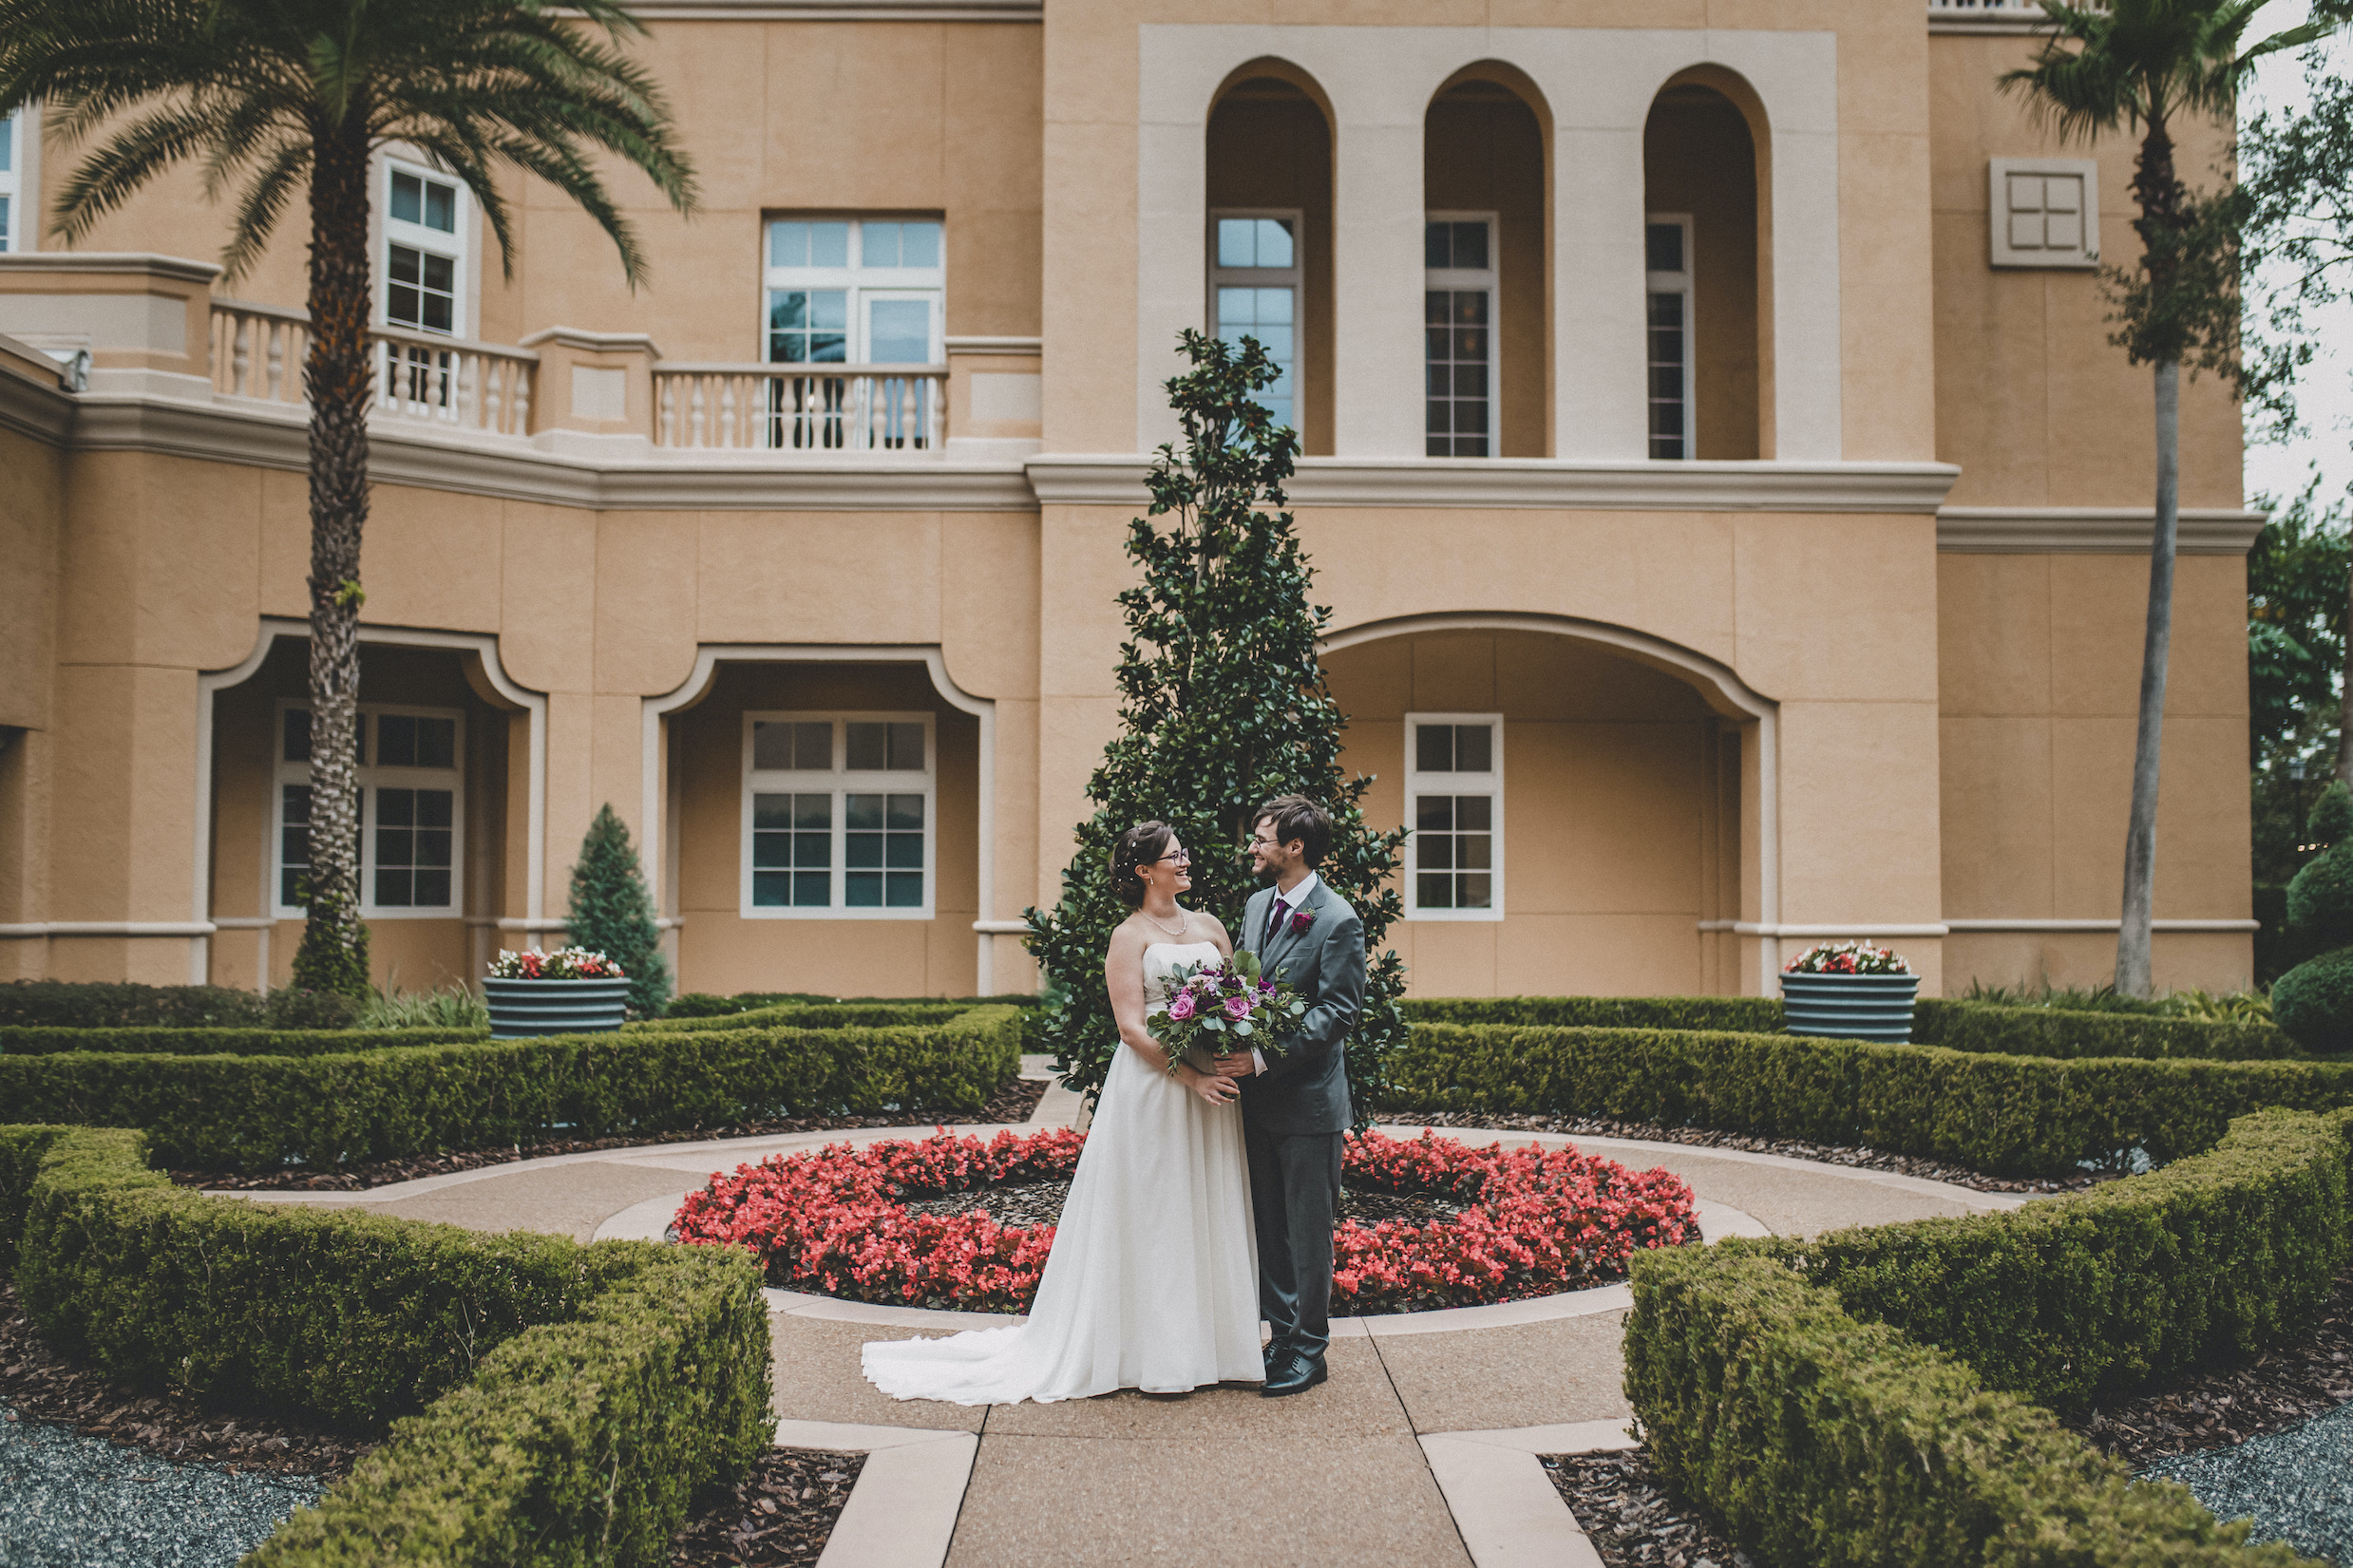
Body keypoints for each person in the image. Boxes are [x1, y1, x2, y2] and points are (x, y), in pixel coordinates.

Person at [860, 821, 1263, 1404]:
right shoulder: (1128, 936)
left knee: (1209, 1200)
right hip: (1158, 1086)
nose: (1186, 861)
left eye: (1183, 853)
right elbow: (1130, 1026)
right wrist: (1192, 1075)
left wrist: (1234, 1043)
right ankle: (1156, 1354)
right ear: (1145, 870)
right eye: (1174, 856)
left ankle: (1219, 1349)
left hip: (1212, 1087)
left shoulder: (1210, 927)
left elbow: (1237, 998)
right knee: (1157, 1209)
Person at [1229, 795, 1365, 1397]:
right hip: (1256, 1104)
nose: (1253, 847)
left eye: (1263, 837)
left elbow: (1338, 1012)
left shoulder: (1338, 919)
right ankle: (1280, 1336)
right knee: (1268, 1228)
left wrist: (1260, 1057)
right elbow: (1239, 983)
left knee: (1309, 1231)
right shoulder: (1258, 905)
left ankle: (1311, 1349)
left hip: (1309, 1104)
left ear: (1295, 847)